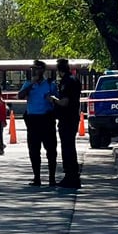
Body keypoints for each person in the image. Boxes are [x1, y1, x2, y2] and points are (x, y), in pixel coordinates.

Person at [18, 59, 59, 187]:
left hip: (46, 119)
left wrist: (52, 100)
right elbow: (20, 96)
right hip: (33, 120)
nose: (33, 71)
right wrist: (31, 84)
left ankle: (52, 178)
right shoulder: (28, 84)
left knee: (51, 150)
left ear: (42, 70)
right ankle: (37, 178)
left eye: (36, 68)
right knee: (34, 150)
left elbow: (57, 99)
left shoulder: (50, 84)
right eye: (33, 69)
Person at [48, 59, 82, 188]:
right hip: (73, 117)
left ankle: (71, 176)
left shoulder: (66, 82)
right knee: (70, 146)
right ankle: (73, 175)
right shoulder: (75, 79)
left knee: (67, 147)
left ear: (60, 70)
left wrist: (53, 99)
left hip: (67, 118)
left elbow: (64, 102)